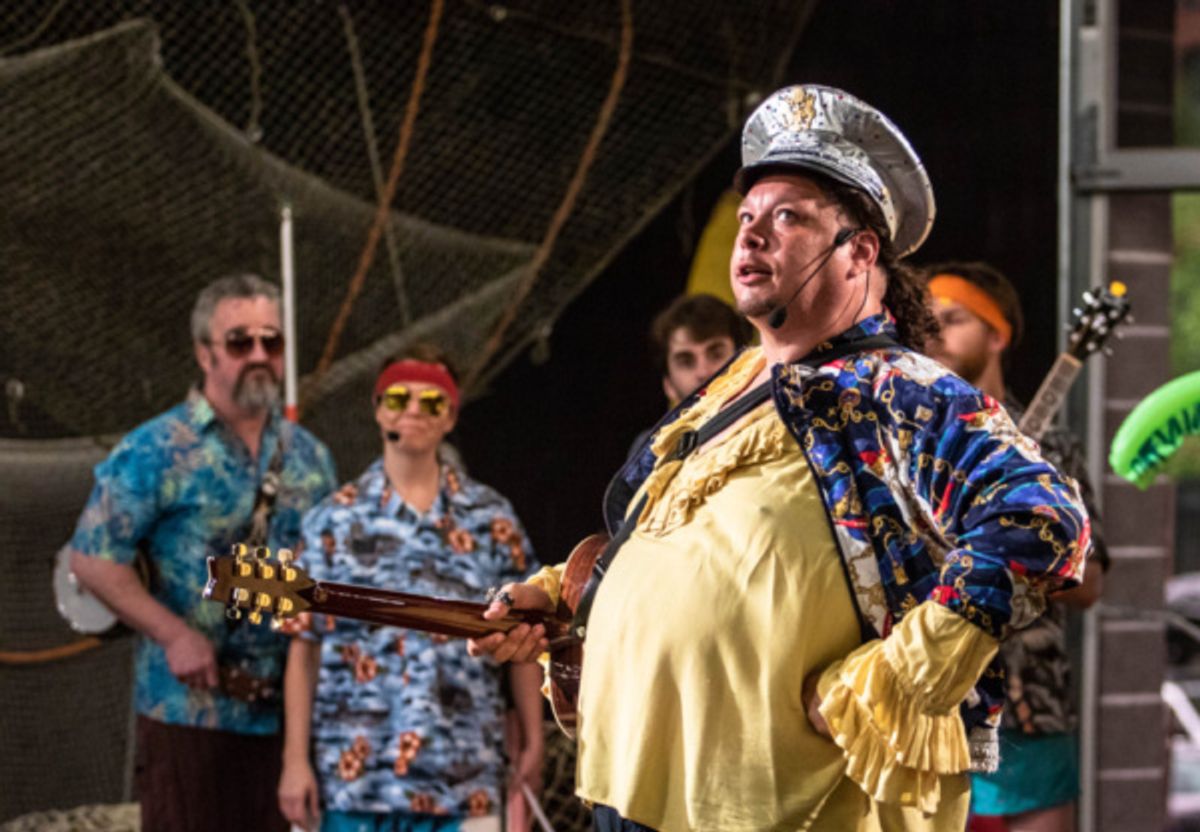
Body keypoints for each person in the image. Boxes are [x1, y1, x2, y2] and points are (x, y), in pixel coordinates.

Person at [467, 84, 1093, 831]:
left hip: (782, 809)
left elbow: (1044, 519)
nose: (751, 238)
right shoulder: (725, 388)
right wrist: (558, 594)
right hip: (635, 794)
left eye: (788, 218)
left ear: (859, 251)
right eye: (747, 219)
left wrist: (896, 677)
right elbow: (669, 543)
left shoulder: (898, 388)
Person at [67, 273, 337, 832]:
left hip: (287, 724)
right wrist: (173, 634)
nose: (259, 354)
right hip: (189, 715)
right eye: (240, 341)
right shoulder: (157, 448)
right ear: (205, 353)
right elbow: (91, 559)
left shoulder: (310, 457)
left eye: (273, 341)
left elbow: (324, 578)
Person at [278, 345, 544, 832]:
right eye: (399, 398)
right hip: (354, 780)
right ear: (379, 410)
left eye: (433, 402)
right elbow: (305, 646)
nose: (415, 411)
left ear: (451, 417)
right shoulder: (331, 519)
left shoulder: (492, 516)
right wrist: (294, 761)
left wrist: (533, 741)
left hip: (465, 775)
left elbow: (525, 639)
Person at [925, 263, 1108, 832]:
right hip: (926, 699)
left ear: (997, 335)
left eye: (952, 320)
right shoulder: (909, 441)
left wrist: (1020, 550)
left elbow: (1091, 584)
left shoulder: (1052, 448)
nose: (934, 337)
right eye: (925, 324)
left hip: (1030, 701)